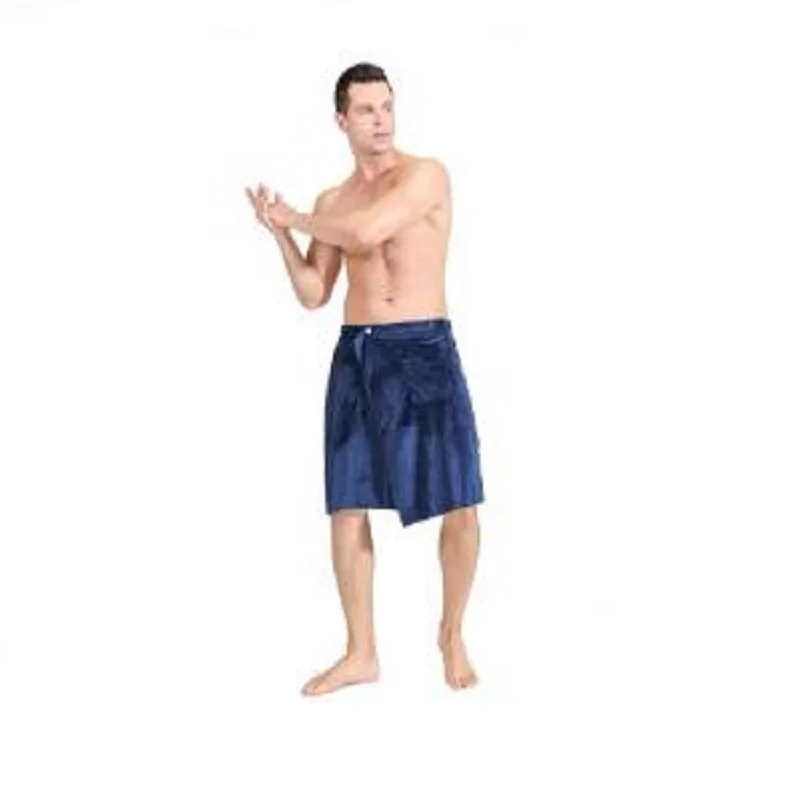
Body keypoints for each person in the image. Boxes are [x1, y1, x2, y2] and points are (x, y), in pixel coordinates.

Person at [245, 62, 484, 695]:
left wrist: (296, 217)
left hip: (422, 345)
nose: (381, 120)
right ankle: (361, 652)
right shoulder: (332, 203)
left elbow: (369, 231)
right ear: (342, 120)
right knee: (347, 504)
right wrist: (279, 234)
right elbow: (313, 292)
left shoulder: (425, 175)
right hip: (357, 351)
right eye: (367, 110)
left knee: (459, 500)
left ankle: (451, 631)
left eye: (387, 106)